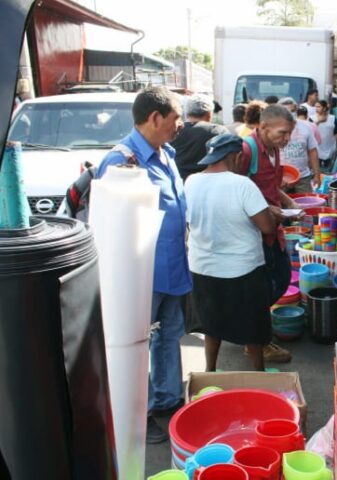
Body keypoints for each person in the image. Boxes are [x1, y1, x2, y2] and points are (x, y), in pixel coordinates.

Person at [96, 86, 190, 444]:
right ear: (155, 118)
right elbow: (110, 225)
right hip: (141, 273)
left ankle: (166, 402)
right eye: (176, 118)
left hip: (172, 267)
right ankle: (140, 410)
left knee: (169, 336)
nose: (180, 125)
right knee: (135, 344)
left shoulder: (165, 153)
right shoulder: (121, 161)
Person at [185, 134, 276, 372]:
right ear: (236, 156)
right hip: (242, 269)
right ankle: (259, 374)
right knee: (253, 329)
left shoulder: (190, 181)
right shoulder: (242, 185)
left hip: (202, 266)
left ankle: (210, 370)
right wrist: (274, 215)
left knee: (211, 324)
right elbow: (266, 226)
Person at [242, 105, 304, 363]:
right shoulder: (247, 150)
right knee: (260, 288)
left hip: (273, 228)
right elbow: (235, 190)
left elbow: (270, 186)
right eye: (282, 133)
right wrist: (266, 208)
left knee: (279, 278)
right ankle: (256, 341)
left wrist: (288, 202)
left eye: (289, 133)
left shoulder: (274, 150)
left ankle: (252, 332)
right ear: (263, 127)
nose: (287, 139)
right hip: (252, 232)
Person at [171, 94, 227, 181]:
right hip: (209, 184)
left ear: (187, 113)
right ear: (209, 114)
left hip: (179, 183)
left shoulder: (173, 130)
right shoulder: (218, 131)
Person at [277, 97, 321, 193]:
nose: (290, 114)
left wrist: (317, 175)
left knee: (304, 204)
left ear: (296, 110)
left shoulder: (306, 126)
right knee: (281, 206)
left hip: (303, 178)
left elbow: (313, 151)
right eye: (286, 111)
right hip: (281, 178)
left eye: (292, 111)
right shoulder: (275, 128)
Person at [311, 100, 337, 173]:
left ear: (324, 108)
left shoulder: (333, 118)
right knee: (317, 171)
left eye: (319, 106)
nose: (316, 108)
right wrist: (319, 121)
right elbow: (310, 131)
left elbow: (336, 133)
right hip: (317, 150)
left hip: (331, 150)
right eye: (316, 107)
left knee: (330, 171)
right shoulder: (312, 118)